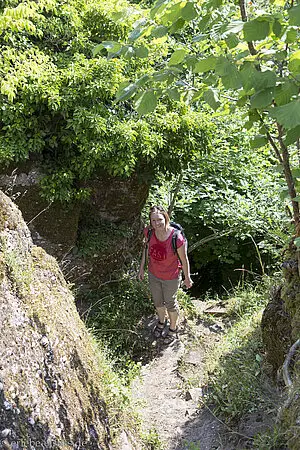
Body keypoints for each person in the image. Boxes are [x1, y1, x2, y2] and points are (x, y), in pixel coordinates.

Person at [138, 205, 193, 344]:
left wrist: (187, 278)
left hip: (171, 277)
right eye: (153, 221)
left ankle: (173, 328)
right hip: (154, 274)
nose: (157, 224)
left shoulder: (176, 237)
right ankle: (162, 321)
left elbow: (184, 259)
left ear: (166, 218)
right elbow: (146, 250)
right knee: (157, 301)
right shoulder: (149, 233)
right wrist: (141, 268)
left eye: (159, 220)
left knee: (170, 303)